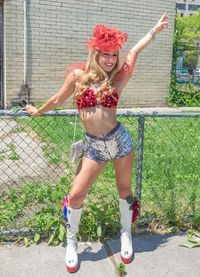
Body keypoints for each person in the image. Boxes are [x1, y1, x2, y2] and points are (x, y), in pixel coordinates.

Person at [26, 13, 168, 273]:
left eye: (114, 54)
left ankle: (126, 233)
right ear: (95, 53)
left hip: (119, 142)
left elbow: (134, 52)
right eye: (105, 54)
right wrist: (38, 111)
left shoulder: (117, 80)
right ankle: (72, 242)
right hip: (93, 147)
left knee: (124, 190)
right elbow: (58, 99)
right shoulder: (78, 76)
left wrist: (154, 31)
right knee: (77, 194)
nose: (110, 59)